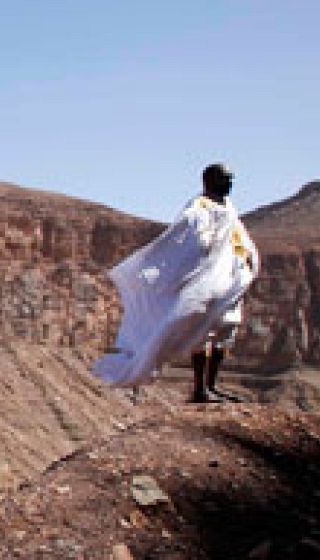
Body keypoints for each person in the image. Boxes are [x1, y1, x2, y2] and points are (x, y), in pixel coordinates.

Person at [93, 163, 260, 400]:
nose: (230, 184)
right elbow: (194, 238)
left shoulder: (229, 208)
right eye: (225, 179)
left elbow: (238, 238)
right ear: (210, 180)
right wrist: (211, 253)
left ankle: (211, 386)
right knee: (203, 332)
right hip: (207, 278)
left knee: (224, 328)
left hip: (229, 279)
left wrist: (246, 258)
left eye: (231, 179)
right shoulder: (199, 207)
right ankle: (200, 389)